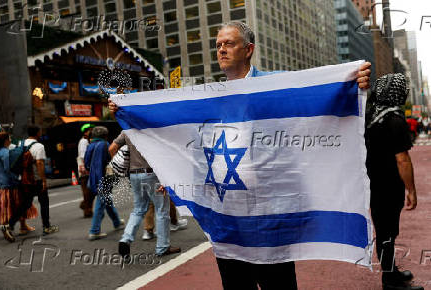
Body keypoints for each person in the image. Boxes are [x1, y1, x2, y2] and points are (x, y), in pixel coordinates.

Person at [108, 21, 371, 289]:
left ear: (248, 49)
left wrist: (352, 82)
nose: (221, 50)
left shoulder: (274, 87)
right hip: (228, 223)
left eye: (229, 43)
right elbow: (195, 149)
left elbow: (317, 95)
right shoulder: (211, 98)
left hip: (269, 222)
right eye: (218, 45)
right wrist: (126, 110)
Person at [366, 74, 423, 290]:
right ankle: (389, 281)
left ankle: (392, 273)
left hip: (373, 184)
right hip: (390, 186)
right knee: (387, 232)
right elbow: (403, 160)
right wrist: (411, 190)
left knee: (385, 232)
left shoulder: (370, 117)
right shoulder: (395, 120)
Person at [109, 132, 181, 257]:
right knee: (162, 210)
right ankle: (162, 247)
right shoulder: (151, 127)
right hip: (152, 173)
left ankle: (125, 239)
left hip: (133, 174)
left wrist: (122, 168)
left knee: (138, 209)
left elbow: (112, 148)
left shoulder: (127, 130)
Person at [0, 126, 59, 242]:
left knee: (25, 204)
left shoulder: (20, 144)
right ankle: (47, 227)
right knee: (44, 202)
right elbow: (40, 163)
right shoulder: (39, 146)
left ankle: (9, 225)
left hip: (23, 179)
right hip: (36, 179)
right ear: (38, 133)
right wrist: (43, 180)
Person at [85, 126, 124, 240]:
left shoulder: (90, 146)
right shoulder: (106, 145)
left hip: (92, 178)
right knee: (101, 203)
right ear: (105, 135)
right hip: (104, 179)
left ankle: (116, 222)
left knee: (106, 200)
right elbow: (112, 161)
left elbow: (87, 163)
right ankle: (94, 231)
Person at [0, 132, 38, 239]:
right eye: (9, 138)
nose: (10, 139)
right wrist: (18, 177)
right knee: (16, 205)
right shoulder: (6, 153)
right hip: (9, 184)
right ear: (6, 140)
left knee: (6, 207)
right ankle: (10, 227)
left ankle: (21, 226)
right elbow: (8, 169)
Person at [77, 123, 95, 218]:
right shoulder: (84, 141)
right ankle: (87, 210)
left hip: (89, 169)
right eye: (90, 130)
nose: (92, 131)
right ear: (85, 132)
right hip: (85, 169)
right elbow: (83, 156)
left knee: (91, 190)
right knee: (87, 191)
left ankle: (85, 205)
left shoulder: (89, 141)